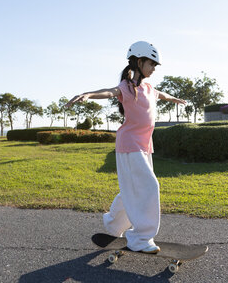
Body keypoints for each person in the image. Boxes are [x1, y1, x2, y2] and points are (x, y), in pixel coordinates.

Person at [65, 41, 186, 253]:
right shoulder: (127, 87)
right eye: (151, 64)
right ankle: (140, 238)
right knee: (149, 187)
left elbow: (162, 95)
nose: (154, 68)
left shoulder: (149, 88)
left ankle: (114, 225)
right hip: (129, 145)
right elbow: (109, 92)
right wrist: (88, 94)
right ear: (139, 62)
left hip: (144, 146)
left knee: (131, 189)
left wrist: (174, 99)